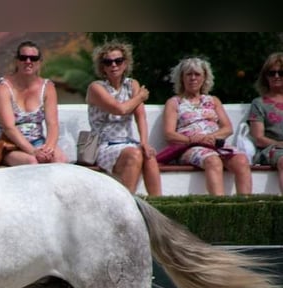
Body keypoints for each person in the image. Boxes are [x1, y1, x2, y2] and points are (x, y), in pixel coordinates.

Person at [162, 56, 251, 196]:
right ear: (181, 78)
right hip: (189, 146)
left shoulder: (213, 100)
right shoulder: (174, 102)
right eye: (189, 74)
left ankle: (246, 207)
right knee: (212, 160)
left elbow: (228, 128)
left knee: (242, 160)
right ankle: (219, 207)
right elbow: (169, 134)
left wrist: (209, 137)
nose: (193, 78)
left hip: (215, 143)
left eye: (197, 74)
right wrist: (193, 140)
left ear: (204, 78)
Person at [85, 40, 162, 196]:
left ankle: (159, 204)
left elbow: (140, 116)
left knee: (149, 156)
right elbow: (120, 109)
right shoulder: (96, 88)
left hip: (127, 142)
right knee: (134, 154)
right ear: (103, 67)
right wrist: (140, 97)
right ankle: (127, 203)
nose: (113, 65)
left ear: (125, 63)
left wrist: (145, 143)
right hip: (103, 144)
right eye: (108, 62)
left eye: (118, 61)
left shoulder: (131, 84)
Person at [0, 40, 68, 165]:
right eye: (23, 57)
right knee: (32, 162)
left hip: (38, 141)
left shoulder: (47, 87)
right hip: (11, 145)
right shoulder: (3, 87)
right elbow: (9, 128)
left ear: (39, 62)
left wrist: (49, 148)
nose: (28, 61)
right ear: (17, 61)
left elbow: (53, 124)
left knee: (60, 160)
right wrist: (33, 152)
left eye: (33, 58)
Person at [247, 52, 283, 193]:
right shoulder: (259, 103)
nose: (276, 76)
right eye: (271, 73)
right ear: (265, 76)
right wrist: (280, 144)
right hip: (272, 149)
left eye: (281, 73)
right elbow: (259, 139)